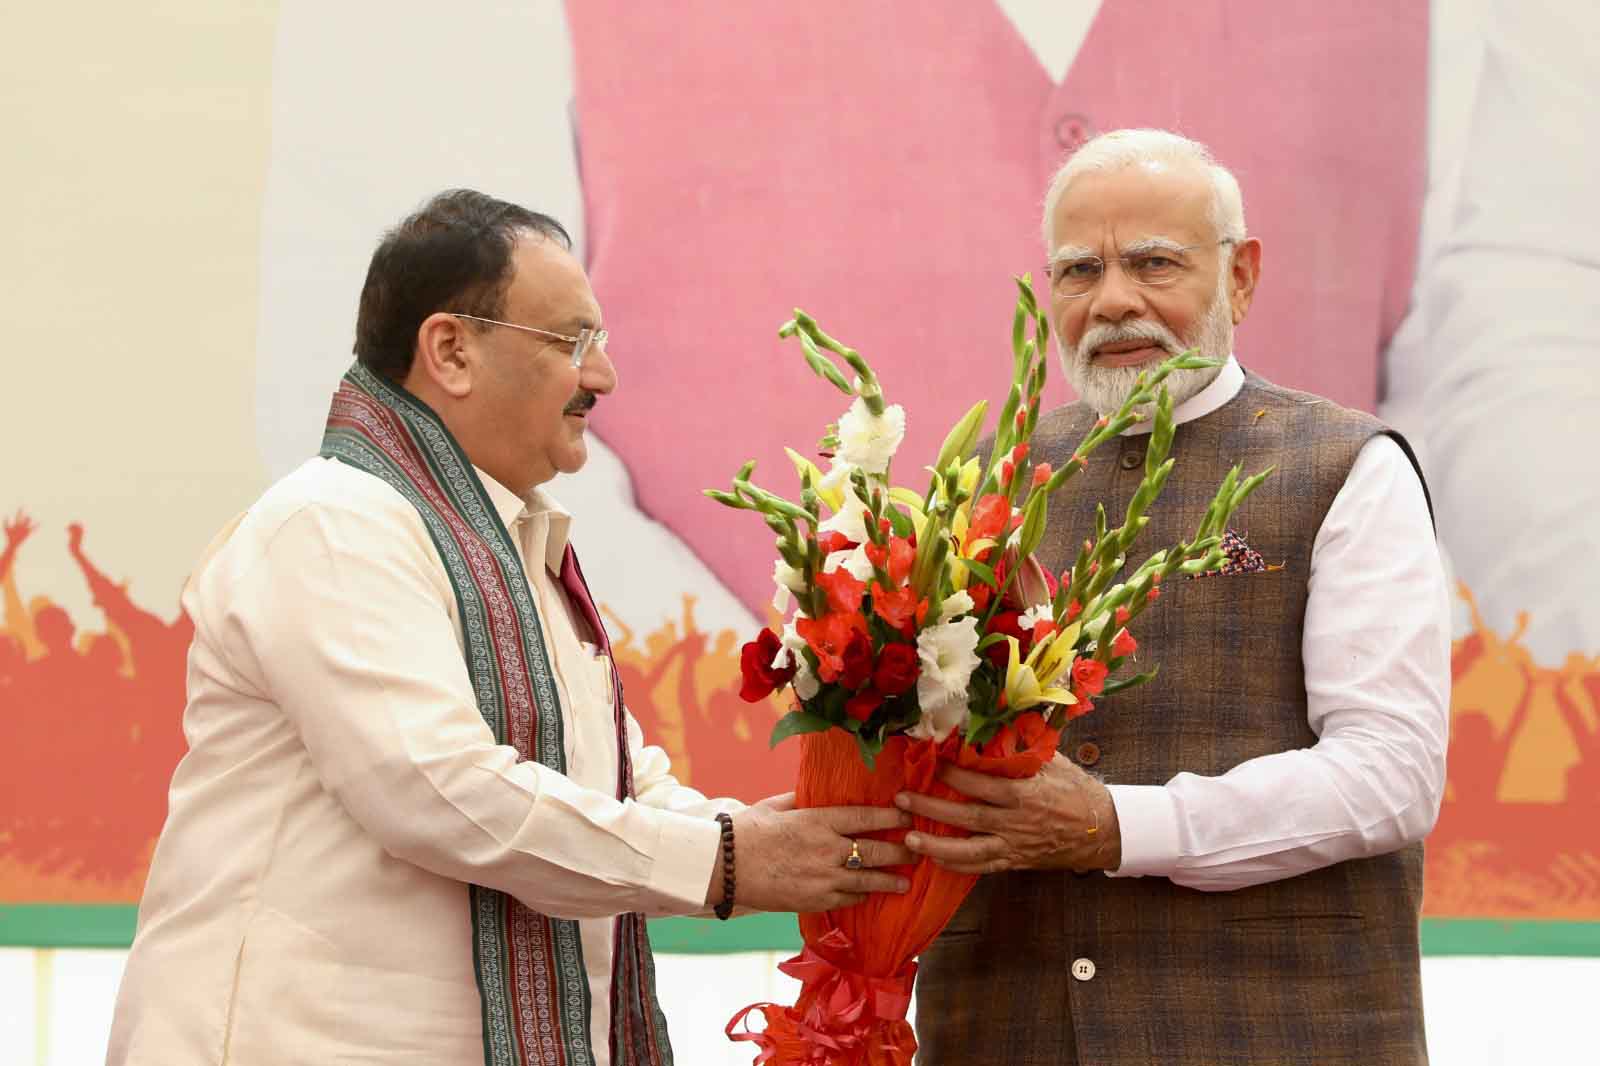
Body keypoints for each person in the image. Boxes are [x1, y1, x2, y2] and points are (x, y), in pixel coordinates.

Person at [105, 190, 914, 1066]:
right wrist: (723, 859)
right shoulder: (335, 521)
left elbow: (617, 790)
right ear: (450, 349)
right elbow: (437, 791)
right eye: (573, 342)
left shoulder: (514, 547)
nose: (601, 377)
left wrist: (803, 843)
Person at [898, 130, 1451, 1065]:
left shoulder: (1344, 467)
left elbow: (1390, 774)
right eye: (1080, 271)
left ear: (1240, 277)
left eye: (1154, 263)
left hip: (1276, 1033)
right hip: (1005, 1026)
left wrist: (1119, 827)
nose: (1114, 301)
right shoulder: (989, 478)